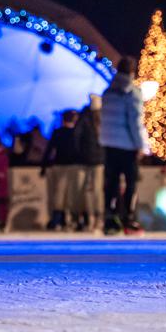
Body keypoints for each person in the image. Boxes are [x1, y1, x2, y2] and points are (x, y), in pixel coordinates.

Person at [99, 56, 149, 236]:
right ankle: (129, 219)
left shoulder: (107, 92)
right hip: (127, 145)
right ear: (131, 71)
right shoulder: (133, 92)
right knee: (131, 183)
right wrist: (140, 145)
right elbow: (135, 122)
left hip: (109, 144)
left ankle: (110, 219)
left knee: (111, 182)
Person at [41, 109, 81, 231]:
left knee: (59, 194)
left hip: (60, 165)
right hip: (74, 166)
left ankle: (58, 220)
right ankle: (72, 220)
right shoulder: (77, 133)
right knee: (72, 194)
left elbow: (49, 150)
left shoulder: (58, 132)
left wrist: (44, 166)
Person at [74, 94, 104, 231]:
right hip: (96, 160)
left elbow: (76, 138)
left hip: (89, 160)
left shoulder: (84, 119)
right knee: (95, 190)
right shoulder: (101, 120)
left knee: (87, 190)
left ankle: (90, 217)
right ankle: (94, 217)